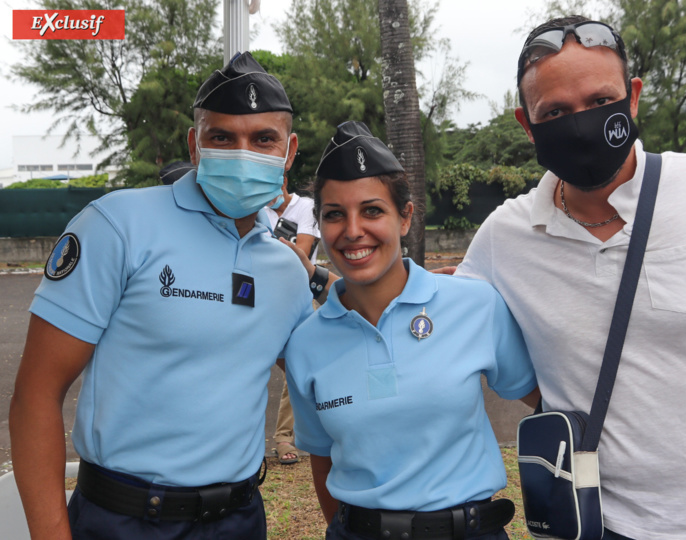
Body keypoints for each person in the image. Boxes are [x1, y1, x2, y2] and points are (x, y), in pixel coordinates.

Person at [454, 15, 686, 540]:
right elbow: (447, 329)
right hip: (586, 525)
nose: (581, 124)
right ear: (527, 124)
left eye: (599, 101)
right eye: (556, 112)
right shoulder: (505, 237)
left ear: (632, 98)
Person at [8, 52, 316, 540]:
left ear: (289, 150)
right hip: (123, 520)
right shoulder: (117, 225)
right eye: (222, 137)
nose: (243, 154)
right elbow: (36, 396)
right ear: (195, 145)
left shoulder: (286, 270)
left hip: (238, 520)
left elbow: (324, 375)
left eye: (262, 140)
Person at [283, 121, 540, 540]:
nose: (352, 231)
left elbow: (545, 402)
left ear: (405, 218)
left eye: (372, 210)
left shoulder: (474, 304)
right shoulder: (305, 344)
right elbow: (323, 457)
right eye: (334, 215)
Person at [266, 181, 321, 464]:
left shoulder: (305, 207)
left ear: (284, 182)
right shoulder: (258, 210)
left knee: (298, 364)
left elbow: (301, 254)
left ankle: (285, 436)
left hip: (300, 293)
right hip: (262, 295)